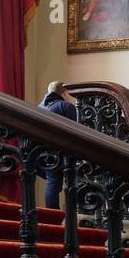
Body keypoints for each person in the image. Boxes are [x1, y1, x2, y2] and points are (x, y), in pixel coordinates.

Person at [38, 80, 77, 209]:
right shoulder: (66, 106)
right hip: (56, 151)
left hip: (38, 152)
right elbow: (75, 133)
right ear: (65, 93)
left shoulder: (39, 107)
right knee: (54, 182)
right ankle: (52, 218)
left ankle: (52, 217)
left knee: (53, 182)